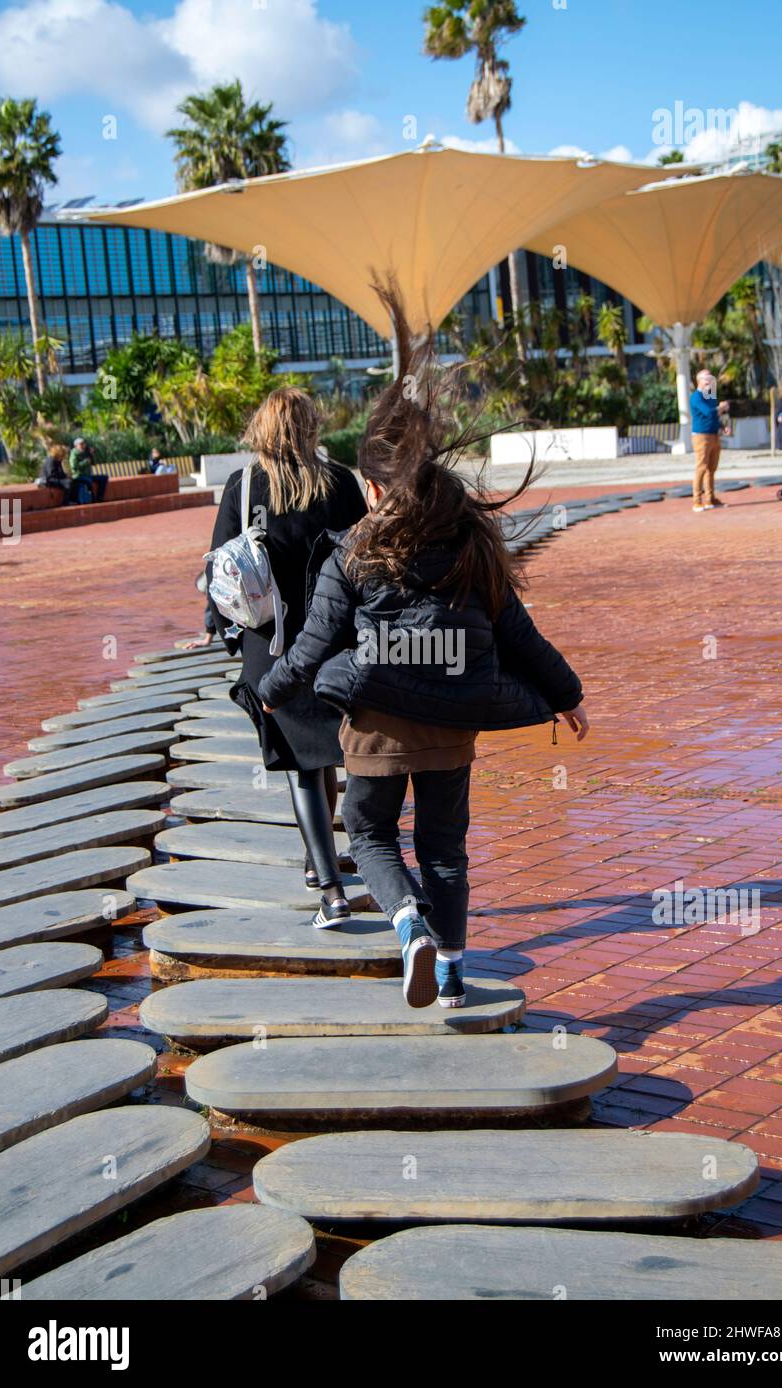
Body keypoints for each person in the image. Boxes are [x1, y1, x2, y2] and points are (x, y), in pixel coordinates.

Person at [259, 280, 589, 1010]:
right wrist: (567, 696)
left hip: (377, 721)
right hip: (454, 721)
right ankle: (452, 978)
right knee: (445, 850)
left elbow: (313, 647)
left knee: (368, 830)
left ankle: (407, 927)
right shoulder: (472, 537)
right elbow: (516, 632)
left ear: (375, 489)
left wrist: (270, 694)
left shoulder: (352, 550)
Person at [207, 388, 366, 924]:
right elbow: (369, 559)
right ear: (311, 426)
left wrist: (220, 628)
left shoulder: (244, 485)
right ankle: (320, 860)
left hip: (268, 644)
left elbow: (218, 571)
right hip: (332, 640)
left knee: (302, 764)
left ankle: (329, 889)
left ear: (262, 428)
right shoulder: (341, 483)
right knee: (323, 751)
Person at [690, 369, 730, 513]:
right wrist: (722, 407)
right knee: (701, 467)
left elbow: (714, 417)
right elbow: (708, 413)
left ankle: (710, 498)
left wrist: (722, 427)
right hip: (701, 436)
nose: (710, 381)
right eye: (707, 378)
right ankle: (696, 501)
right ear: (699, 381)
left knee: (711, 469)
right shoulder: (696, 397)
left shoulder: (711, 396)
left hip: (714, 435)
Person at [69, 437, 108, 505]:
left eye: (84, 444)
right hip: (79, 476)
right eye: (81, 444)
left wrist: (91, 454)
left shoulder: (86, 452)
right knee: (88, 481)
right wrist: (85, 462)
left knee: (104, 478)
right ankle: (92, 500)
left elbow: (94, 463)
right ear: (76, 446)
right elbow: (74, 466)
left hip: (88, 475)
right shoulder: (74, 454)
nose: (83, 446)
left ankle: (100, 497)